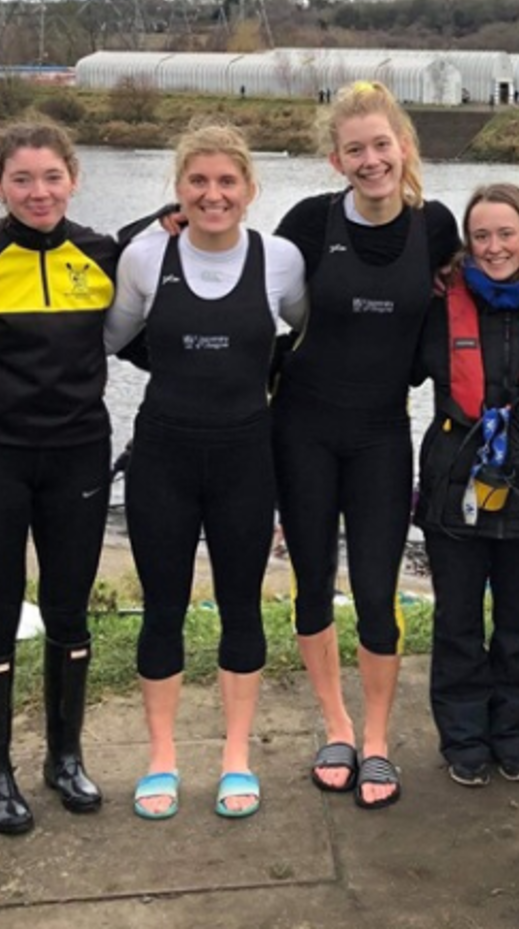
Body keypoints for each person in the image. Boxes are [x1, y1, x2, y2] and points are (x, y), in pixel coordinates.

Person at [0, 120, 150, 835]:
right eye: (21, 179)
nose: (38, 191)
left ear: (73, 178)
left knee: (69, 608)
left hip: (78, 453)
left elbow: (151, 315)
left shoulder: (100, 252)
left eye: (51, 177)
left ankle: (65, 756)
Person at [102, 122, 308, 820]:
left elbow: (304, 333)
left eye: (226, 182)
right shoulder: (144, 255)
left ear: (250, 190)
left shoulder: (279, 259)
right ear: (178, 190)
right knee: (162, 609)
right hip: (163, 456)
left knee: (242, 606)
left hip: (247, 458)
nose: (212, 194)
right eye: (198, 181)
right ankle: (162, 758)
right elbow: (110, 336)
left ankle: (235, 757)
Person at [272, 81, 461, 810]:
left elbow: (500, 262)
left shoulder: (435, 227)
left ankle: (378, 738)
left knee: (379, 592)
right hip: (303, 429)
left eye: (382, 144)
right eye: (355, 148)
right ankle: (337, 725)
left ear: (403, 147)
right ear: (335, 159)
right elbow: (240, 279)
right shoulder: (309, 223)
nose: (371, 159)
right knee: (313, 580)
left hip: (383, 432)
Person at [415, 182, 519, 788]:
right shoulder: (440, 297)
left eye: (506, 233)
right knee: (456, 620)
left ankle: (512, 735)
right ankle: (462, 739)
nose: (493, 247)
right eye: (480, 235)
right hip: (454, 479)